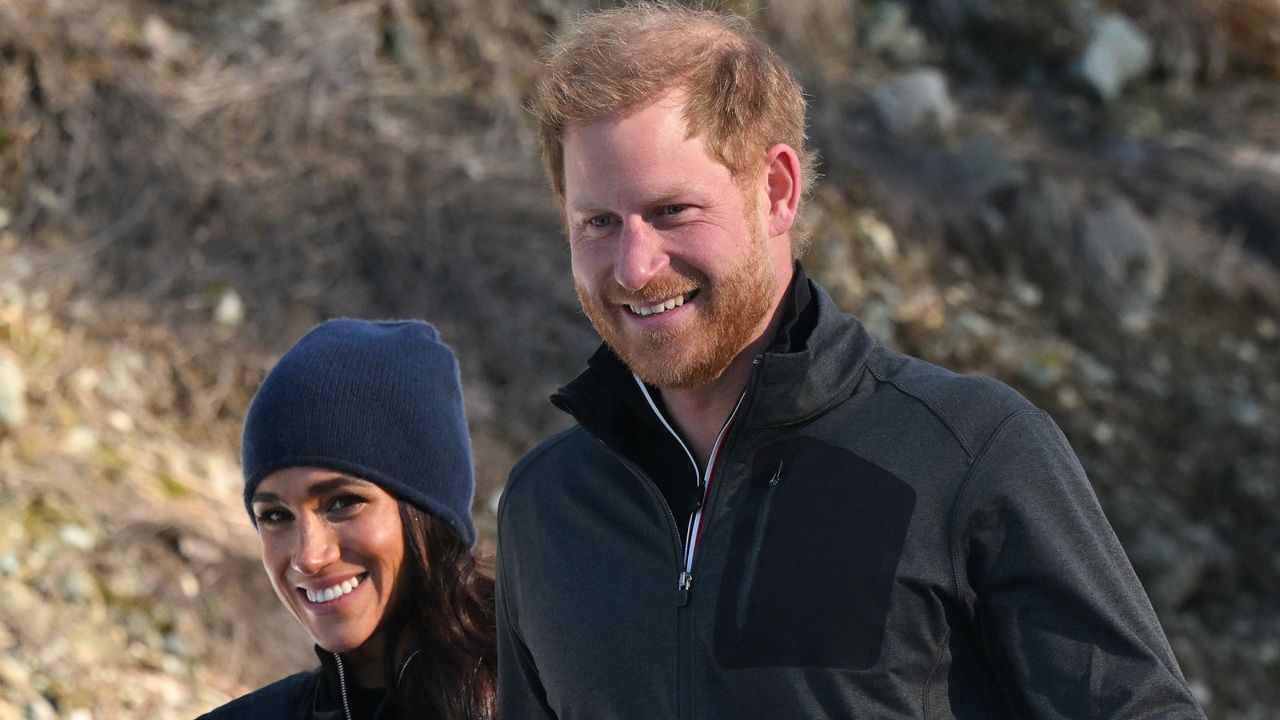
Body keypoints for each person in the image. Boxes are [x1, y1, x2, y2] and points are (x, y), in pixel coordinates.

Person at [495, 3, 1207, 719]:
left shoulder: (966, 455)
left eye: (674, 211)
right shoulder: (546, 506)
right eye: (599, 223)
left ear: (776, 190)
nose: (636, 267)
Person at [200, 319, 495, 720]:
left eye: (342, 503)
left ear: (426, 511)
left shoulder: (558, 691)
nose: (309, 557)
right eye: (274, 515)